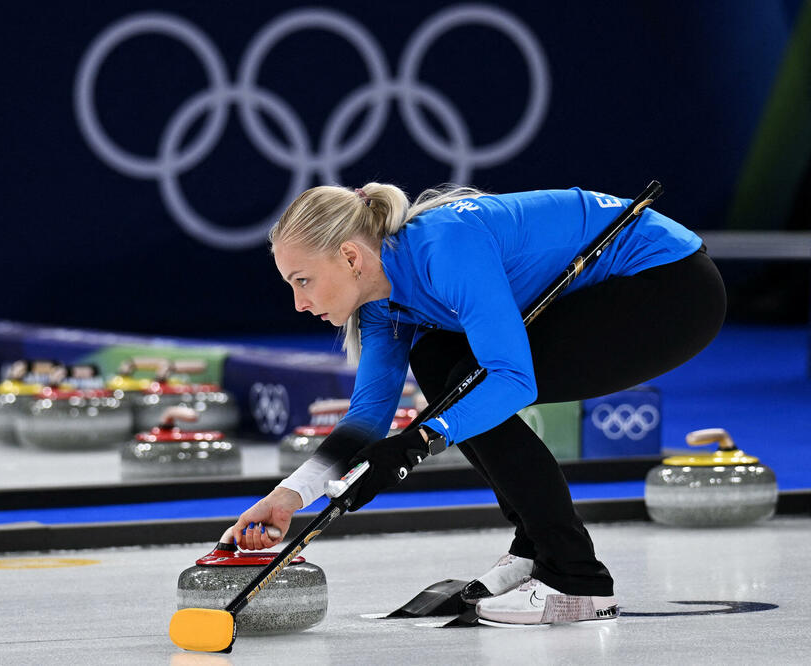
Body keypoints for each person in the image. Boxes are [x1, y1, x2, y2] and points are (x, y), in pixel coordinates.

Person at [229, 182, 725, 626]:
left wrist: (420, 440)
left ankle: (576, 578)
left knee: (468, 382)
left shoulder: (445, 247)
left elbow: (513, 380)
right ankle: (534, 549)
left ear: (351, 258)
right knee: (440, 359)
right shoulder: (381, 303)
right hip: (615, 289)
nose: (298, 302)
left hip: (669, 285)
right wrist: (289, 496)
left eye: (303, 280)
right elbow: (367, 419)